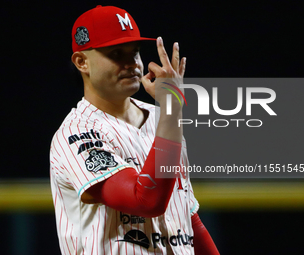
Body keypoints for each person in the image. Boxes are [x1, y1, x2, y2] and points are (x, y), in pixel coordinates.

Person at [50, 5, 219, 255]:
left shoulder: (162, 118)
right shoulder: (77, 133)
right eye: (117, 53)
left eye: (135, 52)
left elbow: (188, 219)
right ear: (81, 61)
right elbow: (147, 200)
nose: (132, 64)